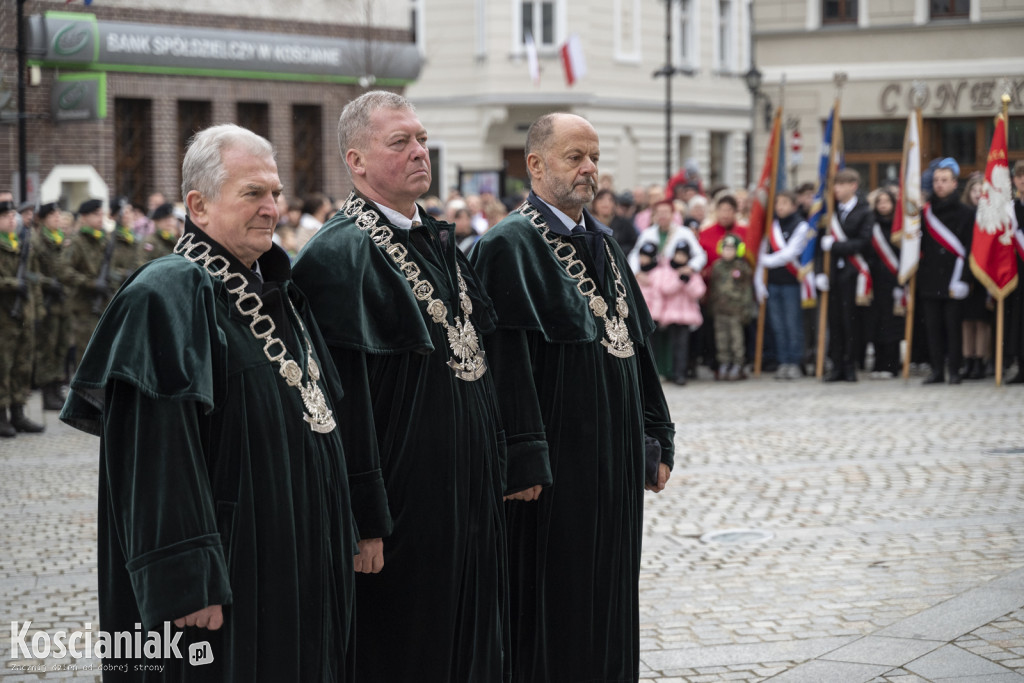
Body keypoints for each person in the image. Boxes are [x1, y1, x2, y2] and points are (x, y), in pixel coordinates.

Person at [59, 124, 358, 682]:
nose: (272, 207)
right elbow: (157, 452)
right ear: (197, 204)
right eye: (252, 193)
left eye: (275, 192)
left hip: (291, 563)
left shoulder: (277, 291)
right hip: (224, 586)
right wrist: (188, 581)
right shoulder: (170, 292)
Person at [291, 91, 510, 683]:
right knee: (407, 652)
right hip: (402, 509)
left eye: (421, 138)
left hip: (468, 496)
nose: (420, 151)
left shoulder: (438, 240)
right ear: (356, 161)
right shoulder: (338, 255)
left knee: (472, 644)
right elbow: (346, 405)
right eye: (400, 142)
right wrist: (366, 519)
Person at [469, 112, 675, 683]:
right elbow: (504, 363)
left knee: (611, 599)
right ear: (535, 165)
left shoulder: (604, 243)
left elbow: (636, 343)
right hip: (555, 474)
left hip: (614, 467)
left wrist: (654, 436)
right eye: (574, 158)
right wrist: (524, 457)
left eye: (595, 158)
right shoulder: (509, 245)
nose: (589, 170)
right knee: (553, 611)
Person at [918, 158, 973, 384]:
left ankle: (954, 370)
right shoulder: (924, 213)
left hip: (954, 277)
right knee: (933, 327)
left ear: (954, 183)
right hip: (930, 276)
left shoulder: (966, 213)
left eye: (944, 180)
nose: (939, 184)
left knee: (953, 328)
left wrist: (965, 279)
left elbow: (970, 248)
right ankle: (937, 369)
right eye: (936, 180)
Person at [817, 168, 873, 382]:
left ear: (853, 186)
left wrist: (836, 246)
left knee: (851, 322)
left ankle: (850, 365)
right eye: (835, 185)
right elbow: (819, 247)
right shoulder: (830, 212)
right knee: (835, 322)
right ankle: (837, 365)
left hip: (853, 273)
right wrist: (820, 272)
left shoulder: (864, 212)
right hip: (833, 275)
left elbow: (863, 242)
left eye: (841, 185)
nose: (836, 189)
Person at [0, 199, 45, 436]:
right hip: (4, 318)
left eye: (12, 215)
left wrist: (36, 311)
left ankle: (18, 413)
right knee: (3, 366)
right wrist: (11, 284)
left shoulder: (19, 244)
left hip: (22, 316)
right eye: (5, 216)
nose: (11, 219)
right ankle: (1, 415)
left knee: (22, 365)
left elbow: (32, 281)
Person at [756, 191, 812, 380]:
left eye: (785, 203)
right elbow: (762, 250)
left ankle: (795, 361)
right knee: (777, 326)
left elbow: (790, 253)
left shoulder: (801, 226)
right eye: (778, 203)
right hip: (773, 282)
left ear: (794, 206)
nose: (780, 207)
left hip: (791, 283)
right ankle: (783, 361)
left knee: (792, 324)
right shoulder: (772, 227)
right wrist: (760, 280)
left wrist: (766, 260)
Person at [32, 202, 72, 410]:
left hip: (64, 302)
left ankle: (57, 389)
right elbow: (33, 272)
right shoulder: (38, 242)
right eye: (53, 215)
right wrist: (49, 283)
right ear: (44, 219)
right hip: (48, 302)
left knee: (61, 346)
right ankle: (48, 394)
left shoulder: (62, 240)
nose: (57, 217)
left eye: (58, 214)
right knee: (47, 348)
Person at [862, 188, 904, 378]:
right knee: (875, 323)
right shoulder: (871, 225)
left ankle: (891, 364)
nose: (883, 205)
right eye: (880, 202)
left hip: (895, 279)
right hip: (875, 280)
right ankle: (878, 363)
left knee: (892, 324)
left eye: (887, 201)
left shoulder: (899, 226)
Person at [652, 240, 706, 385]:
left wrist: (687, 281)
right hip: (670, 315)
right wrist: (679, 281)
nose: (680, 258)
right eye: (678, 254)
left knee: (682, 346)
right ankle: (669, 372)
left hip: (687, 316)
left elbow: (699, 292)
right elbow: (665, 289)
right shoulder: (667, 270)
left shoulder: (692, 272)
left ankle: (680, 373)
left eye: (683, 255)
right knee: (670, 346)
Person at [959, 173, 992, 379]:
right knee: (966, 321)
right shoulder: (964, 215)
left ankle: (981, 360)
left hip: (985, 273)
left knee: (982, 321)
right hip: (965, 272)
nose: (978, 195)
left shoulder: (992, 216)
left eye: (982, 192)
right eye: (974, 191)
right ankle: (968, 359)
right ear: (968, 193)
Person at [710, 233, 753, 380]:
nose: (727, 252)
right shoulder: (717, 266)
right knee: (721, 339)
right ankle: (724, 363)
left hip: (736, 311)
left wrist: (746, 310)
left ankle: (737, 364)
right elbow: (713, 288)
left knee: (736, 339)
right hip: (720, 310)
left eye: (731, 249)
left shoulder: (742, 267)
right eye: (725, 248)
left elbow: (747, 290)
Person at [1008, 161, 1024, 384]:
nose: (1022, 181)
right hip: (1017, 272)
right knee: (1019, 322)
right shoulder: (1010, 209)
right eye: (1019, 176)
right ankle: (1021, 367)